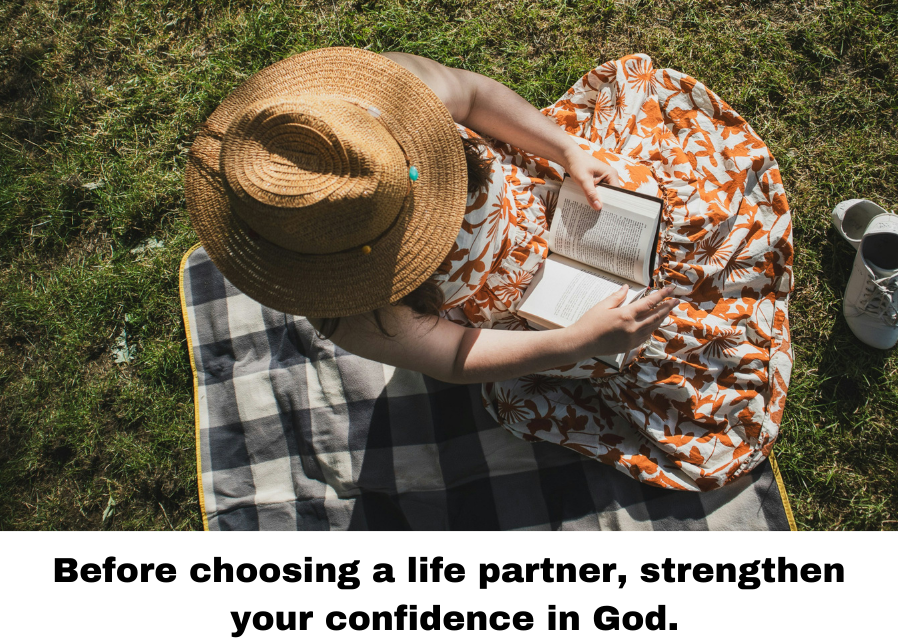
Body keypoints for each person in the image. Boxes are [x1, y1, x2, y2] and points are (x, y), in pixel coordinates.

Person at [186, 47, 793, 492]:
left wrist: (567, 150)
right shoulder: (351, 313)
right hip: (526, 324)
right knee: (671, 359)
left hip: (551, 199)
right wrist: (574, 343)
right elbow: (453, 357)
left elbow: (473, 97)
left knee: (696, 210)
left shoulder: (380, 108)